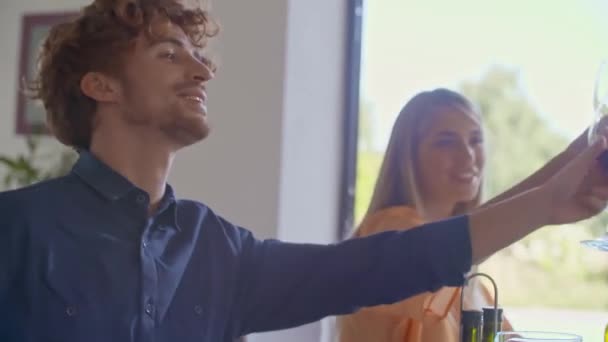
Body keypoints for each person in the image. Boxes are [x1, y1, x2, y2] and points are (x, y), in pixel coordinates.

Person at [1, 1, 607, 341]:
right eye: (169, 54)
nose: (203, 71)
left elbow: (379, 265)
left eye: (199, 56)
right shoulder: (18, 230)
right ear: (100, 86)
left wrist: (551, 206)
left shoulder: (219, 251)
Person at [337, 88, 511, 342]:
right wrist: (554, 193)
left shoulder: (477, 286)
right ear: (408, 156)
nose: (468, 155)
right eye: (446, 142)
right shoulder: (391, 232)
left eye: (475, 140)